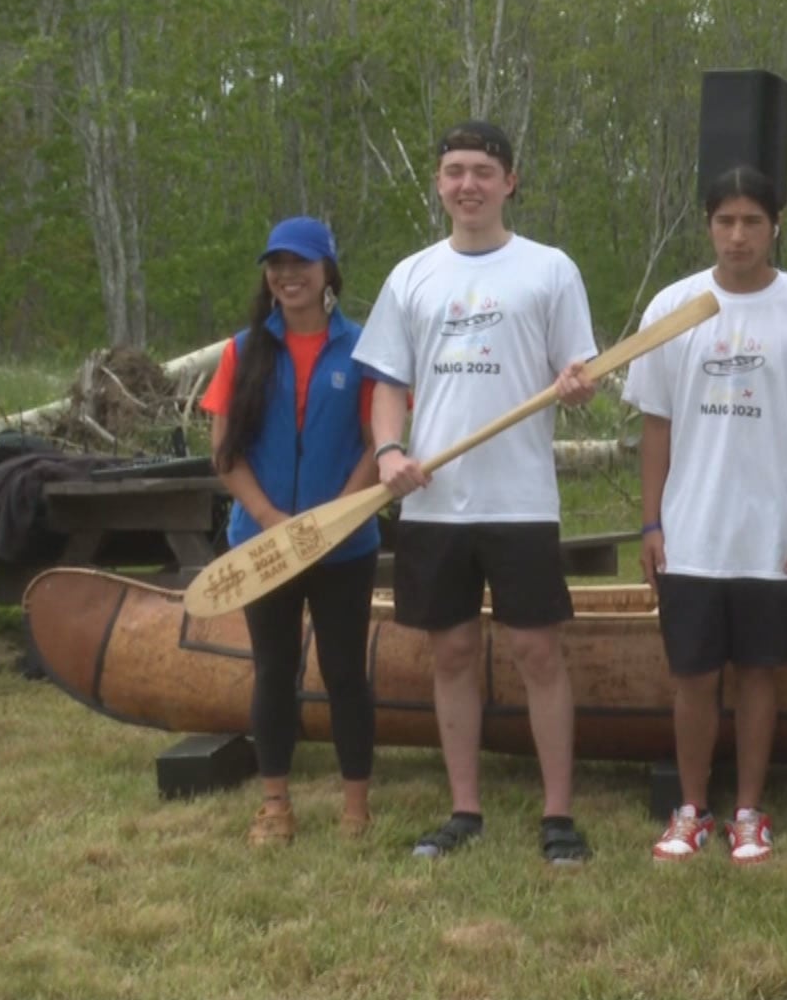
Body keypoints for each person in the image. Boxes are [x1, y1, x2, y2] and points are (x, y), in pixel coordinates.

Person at [353, 120, 599, 864]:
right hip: (433, 500)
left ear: (510, 181)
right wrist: (390, 449)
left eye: (483, 171)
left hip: (521, 499)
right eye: (455, 170)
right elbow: (388, 385)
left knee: (537, 653)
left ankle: (558, 815)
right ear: (439, 183)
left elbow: (578, 376)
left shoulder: (550, 269)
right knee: (452, 652)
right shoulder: (412, 276)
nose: (469, 184)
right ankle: (465, 810)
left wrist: (578, 385)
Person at [625, 166, 787, 865]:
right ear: (709, 225)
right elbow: (656, 426)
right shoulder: (675, 305)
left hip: (769, 534)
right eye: (726, 221)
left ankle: (749, 811)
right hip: (691, 531)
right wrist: (652, 524)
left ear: (776, 224)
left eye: (753, 220)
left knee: (757, 674)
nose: (739, 234)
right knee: (691, 675)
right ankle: (691, 809)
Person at [202, 216, 380, 847]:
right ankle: (275, 805)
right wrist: (276, 523)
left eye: (300, 263)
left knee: (343, 672)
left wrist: (337, 516)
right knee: (274, 668)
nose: (287, 275)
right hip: (261, 545)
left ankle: (355, 808)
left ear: (327, 270)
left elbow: (376, 444)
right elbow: (225, 451)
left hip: (344, 544)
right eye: (276, 264)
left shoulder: (363, 347)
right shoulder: (242, 350)